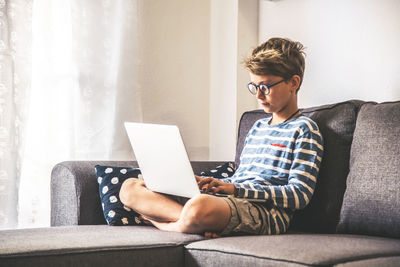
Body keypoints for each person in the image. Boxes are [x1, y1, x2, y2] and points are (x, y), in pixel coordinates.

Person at [119, 37, 324, 237]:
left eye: (266, 87)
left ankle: (168, 223)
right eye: (254, 87)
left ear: (293, 83)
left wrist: (235, 189)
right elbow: (240, 177)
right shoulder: (257, 127)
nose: (259, 95)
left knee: (200, 206)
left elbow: (299, 195)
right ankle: (189, 220)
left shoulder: (304, 129)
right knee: (130, 187)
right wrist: (215, 183)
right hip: (228, 200)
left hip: (264, 212)